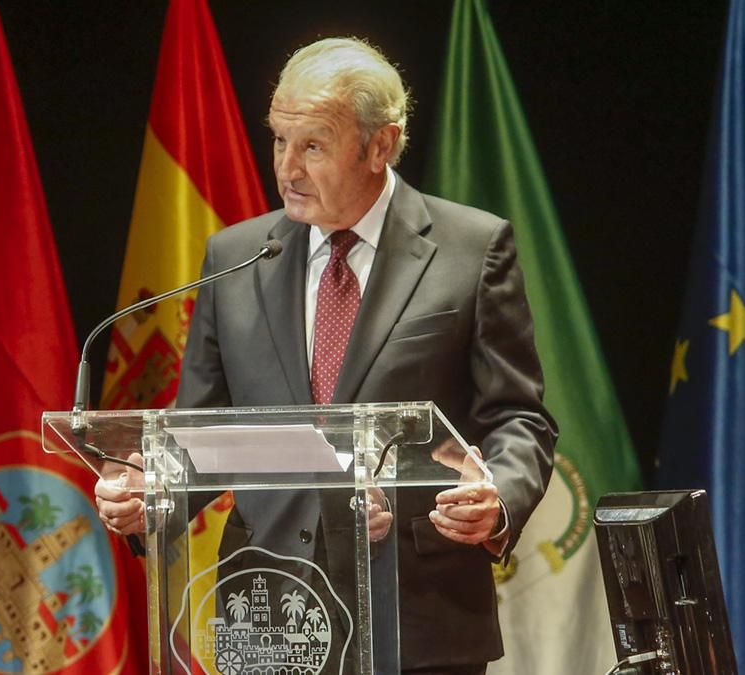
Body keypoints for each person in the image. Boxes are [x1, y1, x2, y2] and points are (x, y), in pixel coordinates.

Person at [96, 37, 556, 674]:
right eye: (280, 141)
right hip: (268, 610)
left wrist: (497, 496)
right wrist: (152, 492)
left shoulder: (471, 250)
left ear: (380, 146)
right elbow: (201, 428)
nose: (287, 168)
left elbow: (518, 417)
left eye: (313, 146)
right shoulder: (236, 257)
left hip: (418, 614)